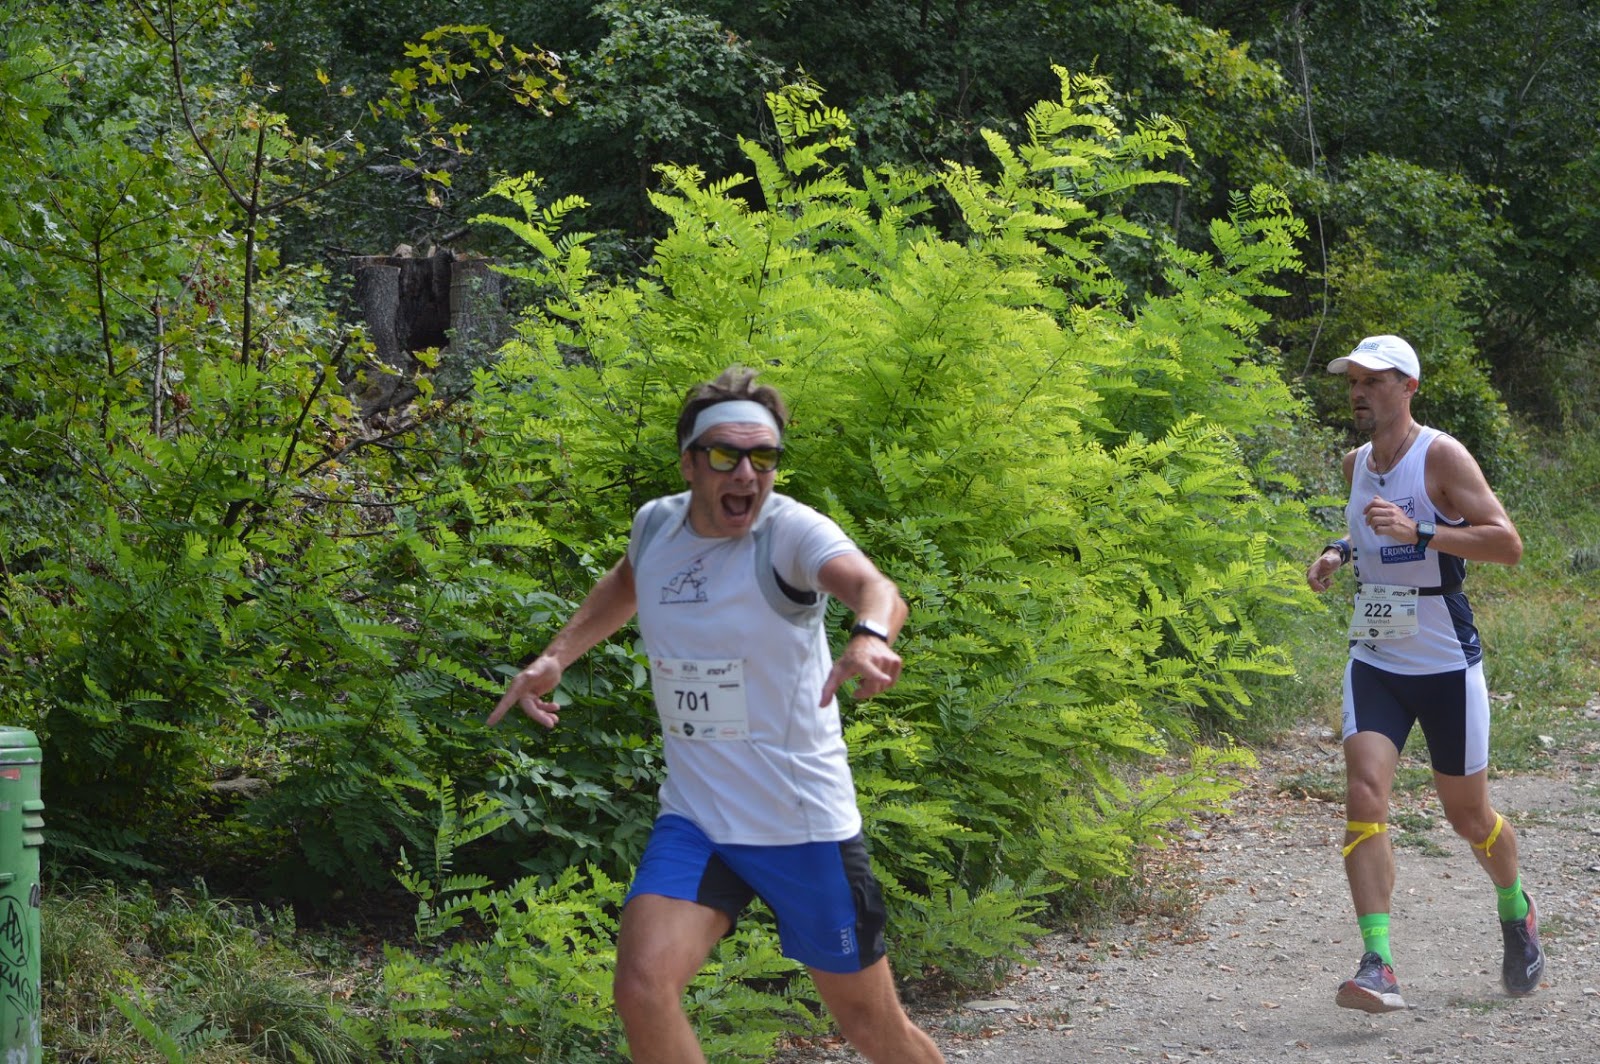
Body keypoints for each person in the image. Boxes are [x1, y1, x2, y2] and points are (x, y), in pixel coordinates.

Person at [488, 366, 946, 1064]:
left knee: (873, 1029)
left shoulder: (790, 534)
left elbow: (875, 588)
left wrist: (869, 635)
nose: (748, 474)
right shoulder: (657, 526)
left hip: (801, 825)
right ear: (690, 463)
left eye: (764, 457)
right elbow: (628, 580)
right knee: (642, 986)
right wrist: (557, 655)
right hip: (699, 819)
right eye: (727, 455)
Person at [1306, 335, 1546, 1013]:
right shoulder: (1355, 462)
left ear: (1408, 387)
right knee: (1364, 796)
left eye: (1373, 381)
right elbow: (1369, 529)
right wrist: (1338, 552)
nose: (1358, 392)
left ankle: (1516, 909)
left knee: (1468, 817)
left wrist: (1419, 532)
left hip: (1443, 660)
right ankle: (1377, 963)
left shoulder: (1441, 456)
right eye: (1353, 381)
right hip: (1376, 658)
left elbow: (1506, 543)